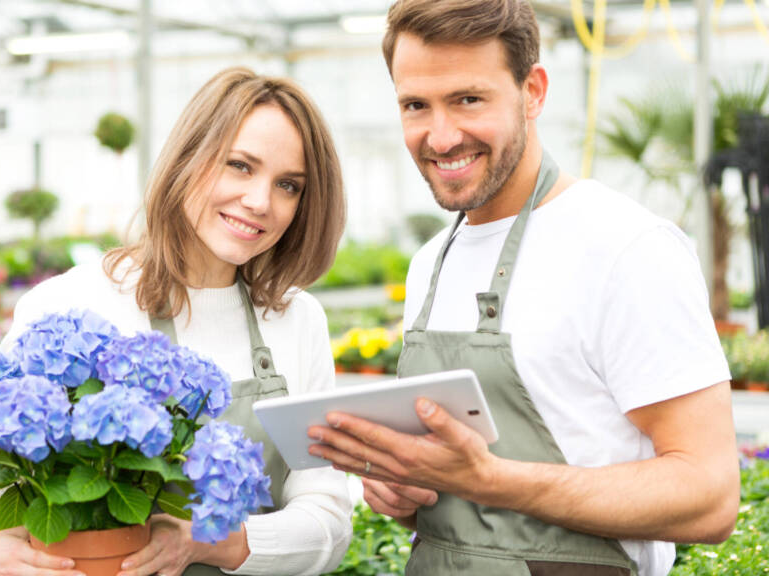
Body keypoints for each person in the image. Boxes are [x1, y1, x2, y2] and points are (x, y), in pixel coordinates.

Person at [307, 1, 739, 575]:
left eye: (468, 99)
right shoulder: (431, 264)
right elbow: (458, 504)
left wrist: (492, 481)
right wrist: (405, 492)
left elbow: (709, 495)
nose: (440, 136)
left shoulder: (626, 248)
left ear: (532, 91)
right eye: (416, 105)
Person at [0, 67, 352, 576]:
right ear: (189, 158)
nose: (260, 201)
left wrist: (206, 542)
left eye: (288, 185)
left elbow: (327, 522)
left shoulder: (296, 320)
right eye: (240, 166)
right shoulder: (76, 302)